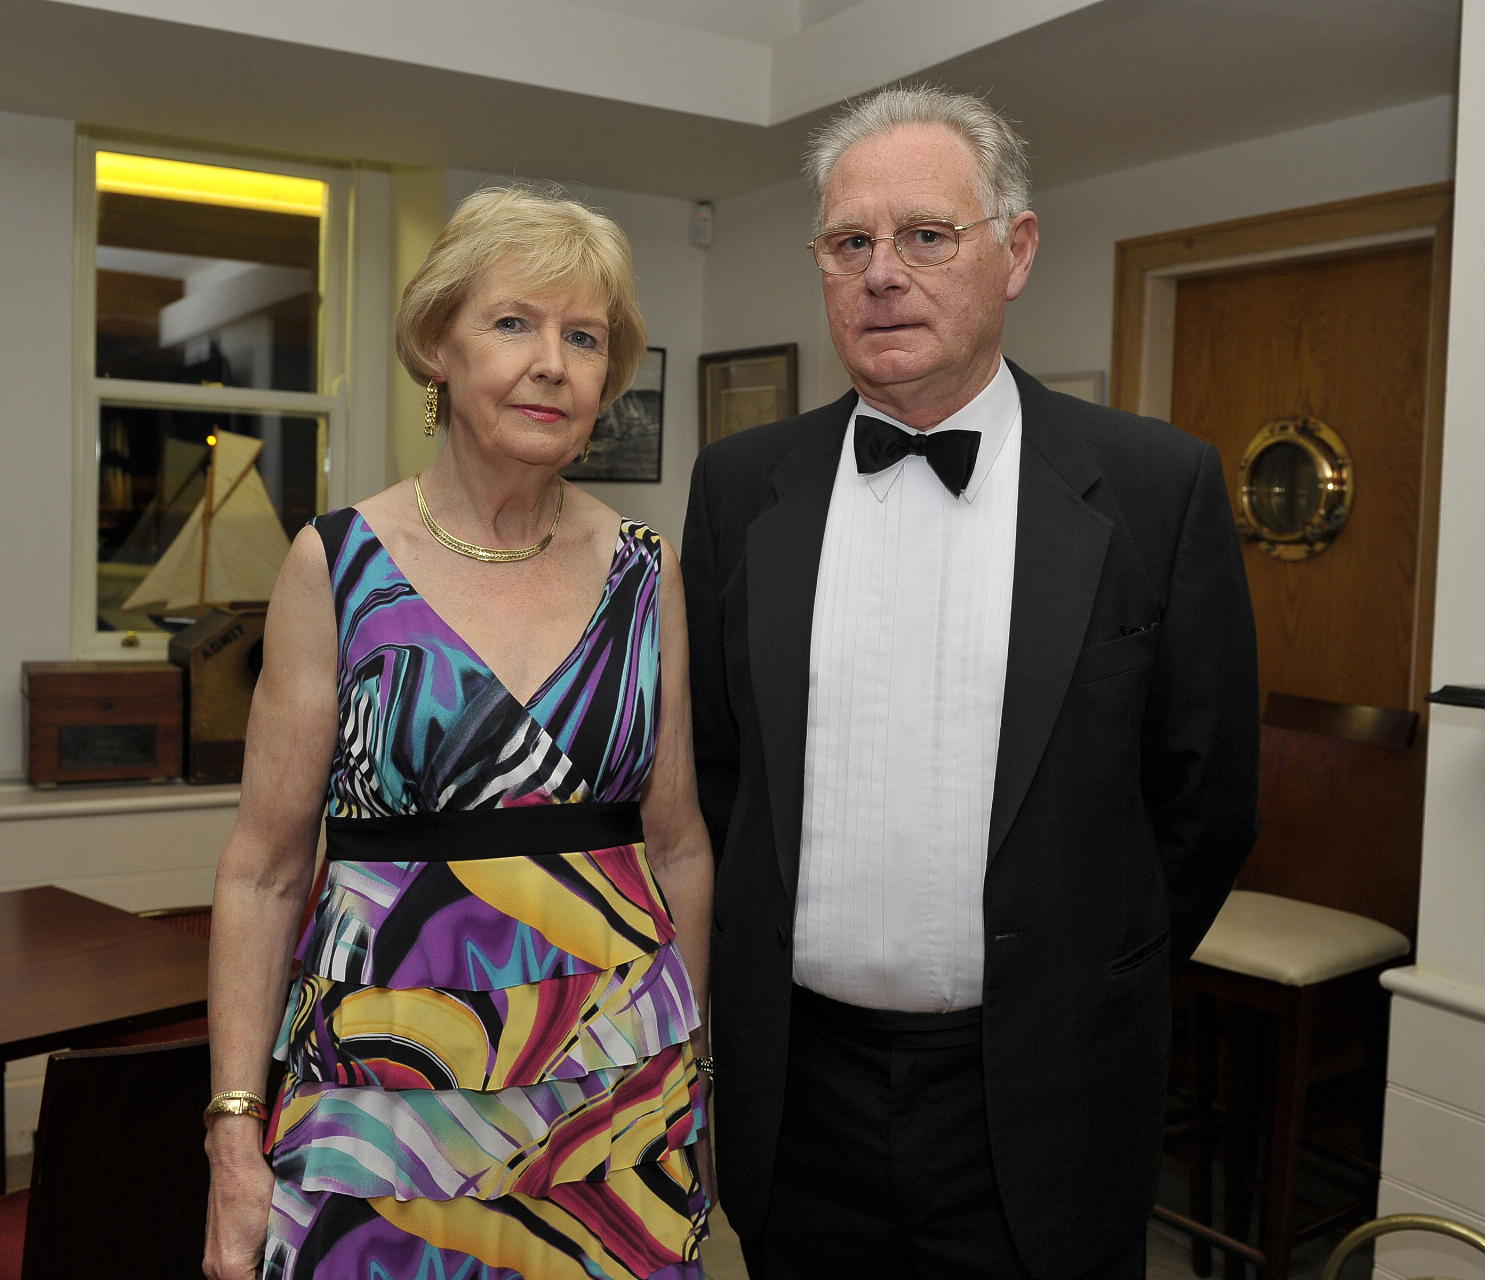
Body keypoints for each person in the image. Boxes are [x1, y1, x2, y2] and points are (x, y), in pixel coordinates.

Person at [681, 85, 1258, 1279]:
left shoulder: (1155, 487)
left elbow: (1204, 799)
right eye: (850, 242)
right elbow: (719, 772)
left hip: (1046, 1093)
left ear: (1017, 251)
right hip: (801, 1096)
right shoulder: (738, 488)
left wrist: (1082, 974)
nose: (882, 273)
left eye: (926, 235)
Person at [202, 186, 713, 1280]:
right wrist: (234, 1130)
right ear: (439, 344)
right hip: (382, 1099)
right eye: (514, 323)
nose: (553, 364)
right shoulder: (337, 563)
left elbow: (677, 847)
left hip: (613, 1096)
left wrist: (693, 1072)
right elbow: (263, 871)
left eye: (585, 338)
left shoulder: (647, 569)